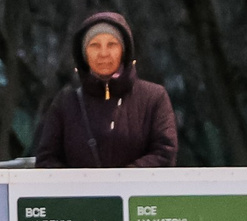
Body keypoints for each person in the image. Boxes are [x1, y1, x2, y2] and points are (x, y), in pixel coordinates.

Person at [30, 10, 178, 169]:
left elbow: (165, 152)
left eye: (112, 45)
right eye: (94, 45)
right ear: (84, 54)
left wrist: (123, 178)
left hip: (138, 186)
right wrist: (82, 182)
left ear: (124, 51)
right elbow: (46, 160)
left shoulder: (154, 98)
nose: (103, 53)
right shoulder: (65, 103)